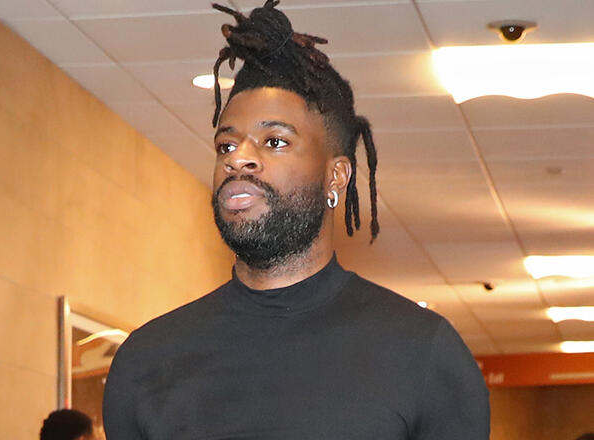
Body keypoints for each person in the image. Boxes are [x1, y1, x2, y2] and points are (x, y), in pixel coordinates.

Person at [102, 1, 490, 439]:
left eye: (274, 141)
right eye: (226, 146)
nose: (238, 159)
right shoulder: (146, 361)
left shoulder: (422, 354)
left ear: (335, 176)